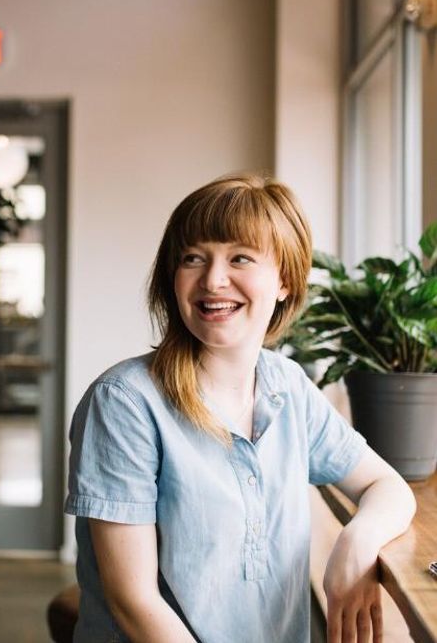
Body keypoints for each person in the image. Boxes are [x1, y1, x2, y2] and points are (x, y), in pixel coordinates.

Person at [64, 173, 416, 642]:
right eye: (193, 258)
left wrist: (356, 541)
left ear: (285, 281)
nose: (213, 280)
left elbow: (386, 485)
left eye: (240, 258)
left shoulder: (287, 386)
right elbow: (134, 603)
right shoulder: (124, 402)